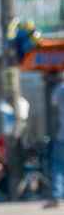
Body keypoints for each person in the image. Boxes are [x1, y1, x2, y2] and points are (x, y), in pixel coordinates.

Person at [46, 74, 64, 207]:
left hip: (62, 135)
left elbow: (53, 102)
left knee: (57, 165)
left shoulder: (61, 88)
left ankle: (57, 196)